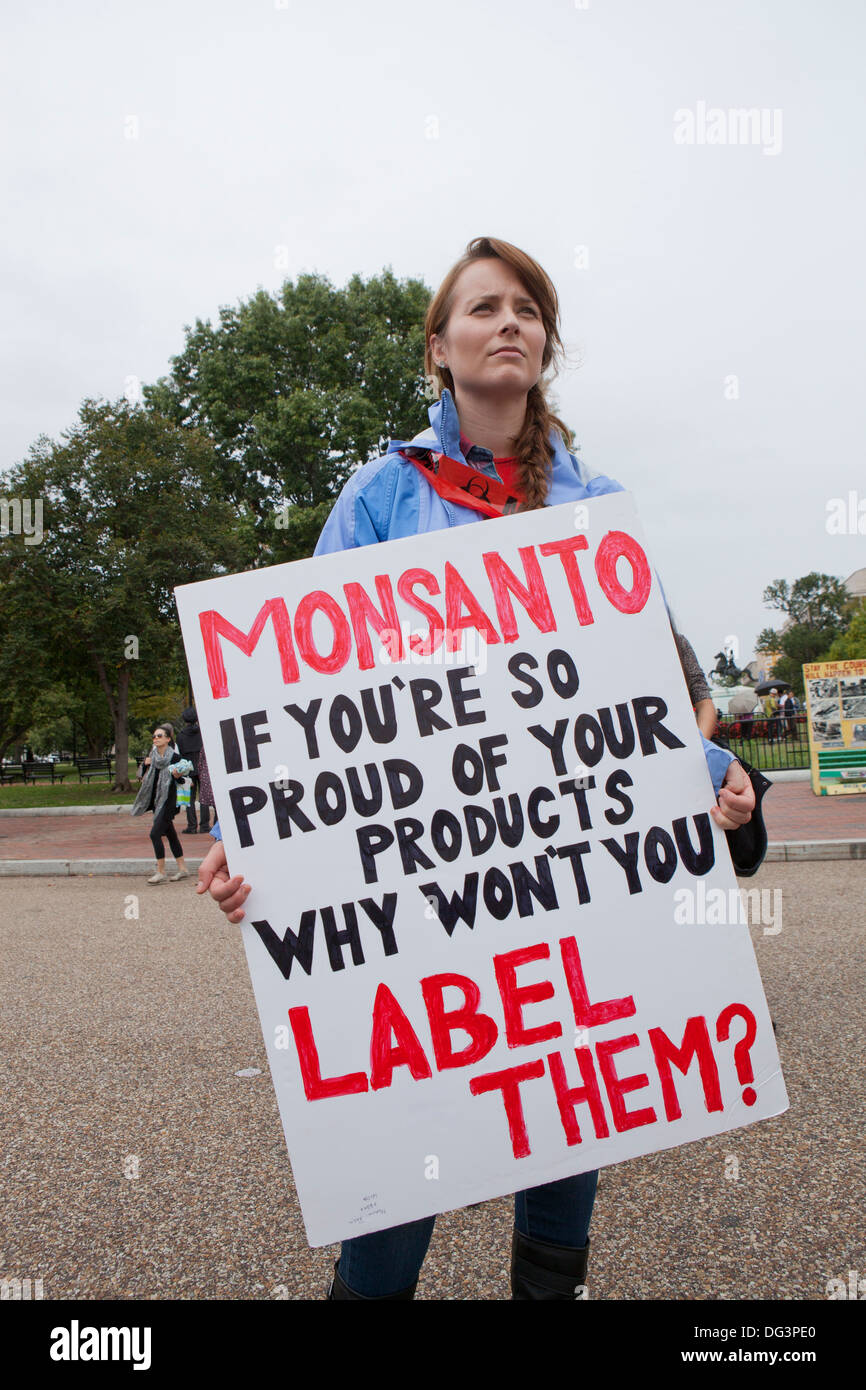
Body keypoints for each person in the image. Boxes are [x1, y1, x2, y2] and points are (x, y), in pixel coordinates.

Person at [196, 236, 757, 1299]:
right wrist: (253, 834)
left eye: (527, 310)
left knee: (564, 1150)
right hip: (420, 899)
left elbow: (635, 687)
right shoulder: (377, 497)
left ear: (544, 344)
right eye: (483, 308)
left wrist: (709, 765)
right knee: (394, 1200)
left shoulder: (597, 502)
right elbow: (297, 704)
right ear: (437, 349)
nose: (509, 323)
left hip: (567, 900)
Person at [131, 724, 194, 884]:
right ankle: (183, 869)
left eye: (159, 736)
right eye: (154, 736)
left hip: (169, 801)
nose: (156, 739)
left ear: (168, 739)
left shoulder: (174, 758)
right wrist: (145, 764)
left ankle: (160, 871)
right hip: (156, 801)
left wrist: (177, 774)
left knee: (154, 834)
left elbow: (185, 777)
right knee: (171, 835)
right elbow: (140, 776)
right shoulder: (152, 756)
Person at [177, 706, 207, 834]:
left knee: (189, 798)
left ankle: (192, 825)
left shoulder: (181, 736)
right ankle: (205, 825)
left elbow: (180, 755)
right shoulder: (203, 733)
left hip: (188, 769)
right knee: (204, 797)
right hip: (202, 768)